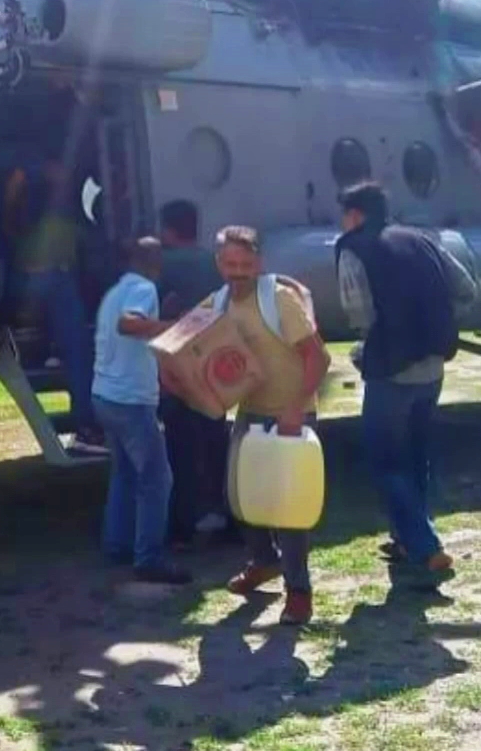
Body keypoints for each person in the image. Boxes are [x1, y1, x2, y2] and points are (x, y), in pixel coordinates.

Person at [334, 181, 481, 580]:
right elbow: (468, 289)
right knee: (418, 456)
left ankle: (426, 546)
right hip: (433, 368)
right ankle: (406, 537)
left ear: (355, 214)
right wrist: (432, 327)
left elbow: (359, 312)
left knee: (385, 462)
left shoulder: (353, 247)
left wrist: (371, 347)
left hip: (390, 371)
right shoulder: (423, 240)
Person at [214, 227, 332, 625]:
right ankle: (264, 562)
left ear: (259, 264)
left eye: (246, 265)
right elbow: (187, 336)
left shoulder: (278, 299)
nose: (238, 272)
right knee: (241, 497)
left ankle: (299, 592)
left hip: (291, 415)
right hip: (250, 412)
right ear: (219, 264)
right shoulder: (217, 302)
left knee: (289, 511)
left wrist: (297, 407)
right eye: (231, 264)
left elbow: (319, 358)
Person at [93, 237, 190, 585]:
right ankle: (149, 557)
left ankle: (116, 544)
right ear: (154, 261)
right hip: (130, 401)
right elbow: (129, 324)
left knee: (125, 475)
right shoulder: (144, 288)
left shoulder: (112, 293)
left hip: (104, 396)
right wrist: (175, 328)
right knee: (156, 479)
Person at [6, 152, 103, 451]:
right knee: (79, 350)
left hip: (25, 281)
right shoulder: (65, 217)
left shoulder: (19, 218)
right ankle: (87, 426)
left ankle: (49, 349)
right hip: (56, 280)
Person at [154, 200, 232, 545]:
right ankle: (224, 513)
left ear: (168, 230)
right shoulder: (212, 265)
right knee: (215, 441)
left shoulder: (163, 266)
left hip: (177, 369)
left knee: (180, 447)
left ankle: (183, 522)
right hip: (212, 367)